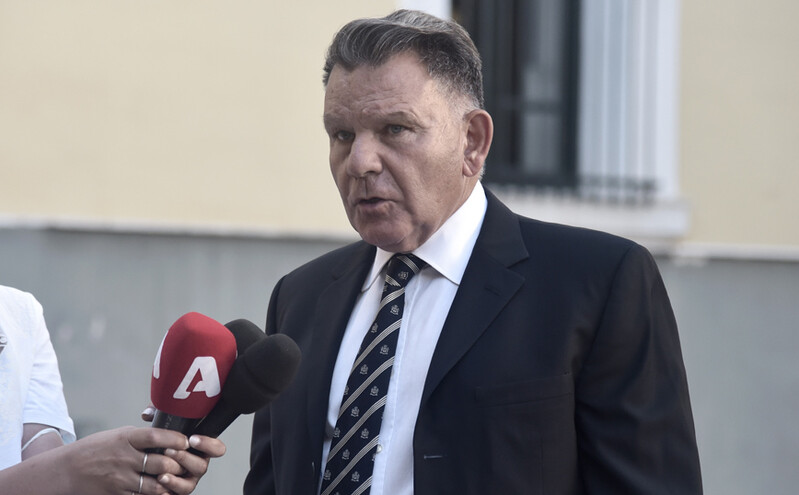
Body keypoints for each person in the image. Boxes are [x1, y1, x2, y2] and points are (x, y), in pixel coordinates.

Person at [245, 9, 702, 495]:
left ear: (472, 142)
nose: (360, 162)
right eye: (342, 134)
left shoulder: (598, 283)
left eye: (395, 129)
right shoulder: (300, 297)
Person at [0, 285, 226, 494]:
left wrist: (145, 470)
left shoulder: (21, 312)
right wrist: (77, 466)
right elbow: (63, 471)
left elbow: (42, 467)